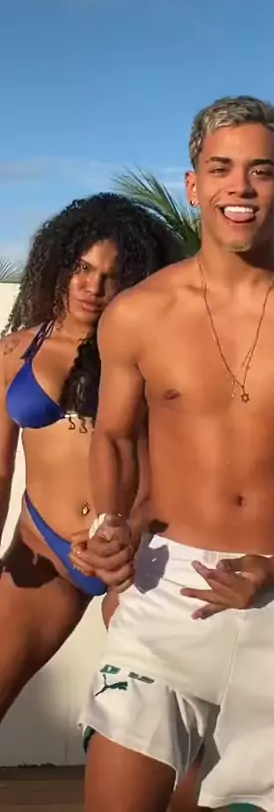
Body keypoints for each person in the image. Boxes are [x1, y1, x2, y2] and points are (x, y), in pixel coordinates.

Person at [78, 95, 274, 812]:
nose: (239, 188)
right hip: (166, 587)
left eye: (260, 171)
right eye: (220, 169)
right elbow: (115, 437)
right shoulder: (138, 313)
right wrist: (109, 525)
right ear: (193, 186)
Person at [0, 192, 175, 721]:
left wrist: (131, 529)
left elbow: (179, 461)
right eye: (82, 268)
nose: (92, 287)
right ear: (60, 264)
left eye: (111, 276)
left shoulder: (154, 358)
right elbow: (1, 468)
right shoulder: (14, 353)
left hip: (140, 554)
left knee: (163, 733)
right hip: (45, 548)